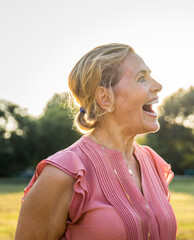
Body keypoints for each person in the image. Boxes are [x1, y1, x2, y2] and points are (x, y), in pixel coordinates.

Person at [15, 43, 177, 240]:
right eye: (142, 78)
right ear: (105, 97)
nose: (157, 85)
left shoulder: (152, 162)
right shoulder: (62, 175)